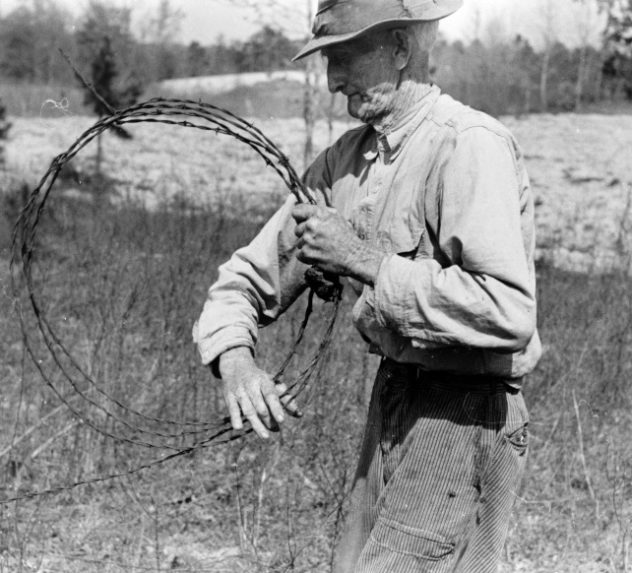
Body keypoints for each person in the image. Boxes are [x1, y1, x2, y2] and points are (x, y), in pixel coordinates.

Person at [193, 0, 542, 570]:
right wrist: (235, 359)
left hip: (466, 413)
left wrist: (363, 259)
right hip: (394, 397)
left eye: (345, 56)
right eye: (327, 60)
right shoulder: (343, 164)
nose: (332, 80)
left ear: (402, 48)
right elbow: (250, 278)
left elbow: (506, 310)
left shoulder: (468, 145)